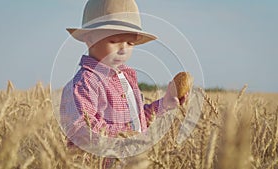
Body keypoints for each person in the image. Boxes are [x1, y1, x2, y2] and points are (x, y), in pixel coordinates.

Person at [59, 0, 187, 168]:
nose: (123, 49)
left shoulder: (125, 78)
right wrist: (129, 138)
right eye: (114, 41)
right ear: (90, 39)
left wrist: (164, 104)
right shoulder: (85, 83)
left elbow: (136, 121)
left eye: (130, 43)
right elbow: (82, 130)